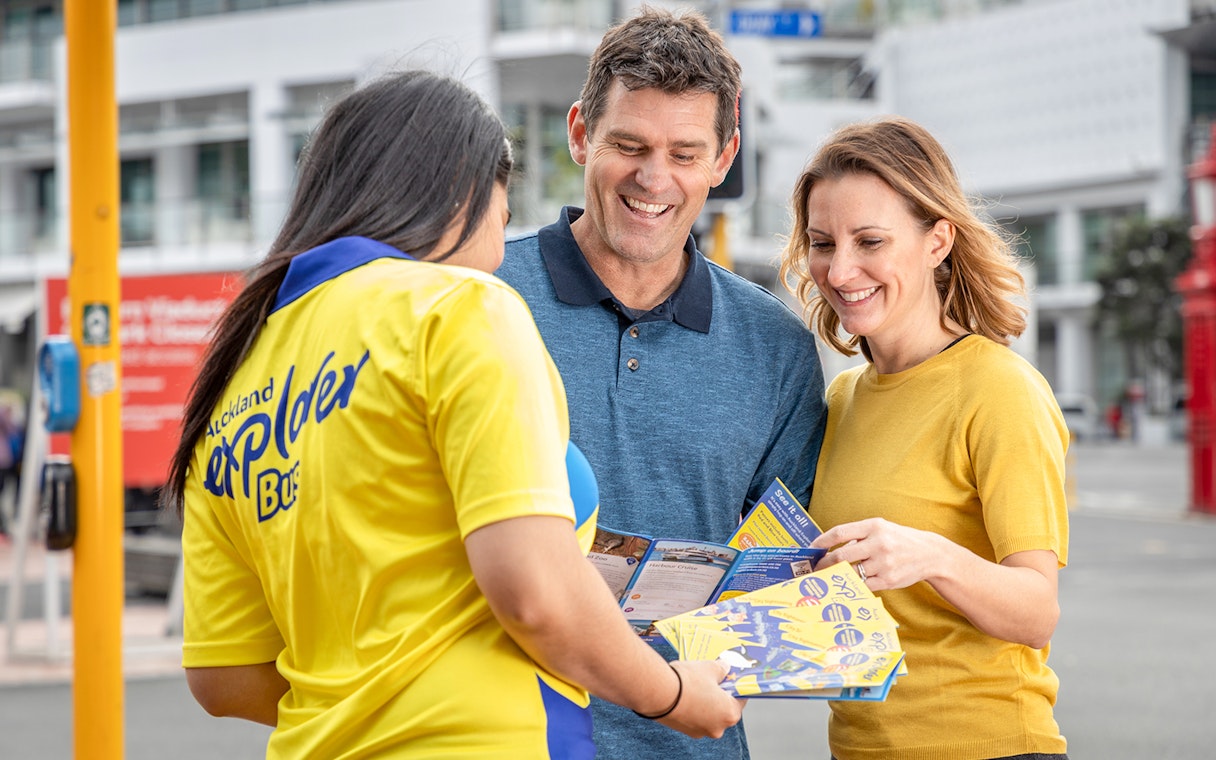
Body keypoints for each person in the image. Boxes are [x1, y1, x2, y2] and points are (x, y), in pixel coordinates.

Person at [161, 69, 741, 759]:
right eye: (503, 209)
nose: (501, 244)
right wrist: (670, 692)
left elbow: (223, 676)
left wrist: (371, 698)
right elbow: (534, 592)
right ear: (465, 191)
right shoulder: (459, 308)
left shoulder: (237, 373)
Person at [495, 8, 826, 759]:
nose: (654, 179)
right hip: (503, 737)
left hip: (691, 745)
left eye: (685, 152)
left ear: (723, 156)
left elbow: (775, 582)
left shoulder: (775, 347)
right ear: (581, 133)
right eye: (629, 145)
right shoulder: (480, 295)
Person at [780, 117, 1069, 759]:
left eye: (871, 241)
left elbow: (1035, 611)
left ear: (937, 241)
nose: (841, 268)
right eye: (823, 243)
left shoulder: (999, 391)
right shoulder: (840, 399)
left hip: (989, 744)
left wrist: (933, 556)